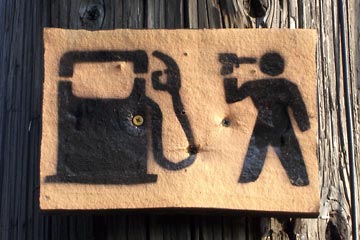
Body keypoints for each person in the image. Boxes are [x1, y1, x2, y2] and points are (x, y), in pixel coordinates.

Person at [224, 52, 310, 186]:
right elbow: (298, 106)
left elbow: (232, 96)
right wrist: (304, 125)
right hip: (282, 127)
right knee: (292, 162)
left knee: (253, 162)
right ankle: (299, 181)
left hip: (263, 126)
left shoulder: (254, 85)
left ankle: (245, 185)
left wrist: (228, 72)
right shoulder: (287, 85)